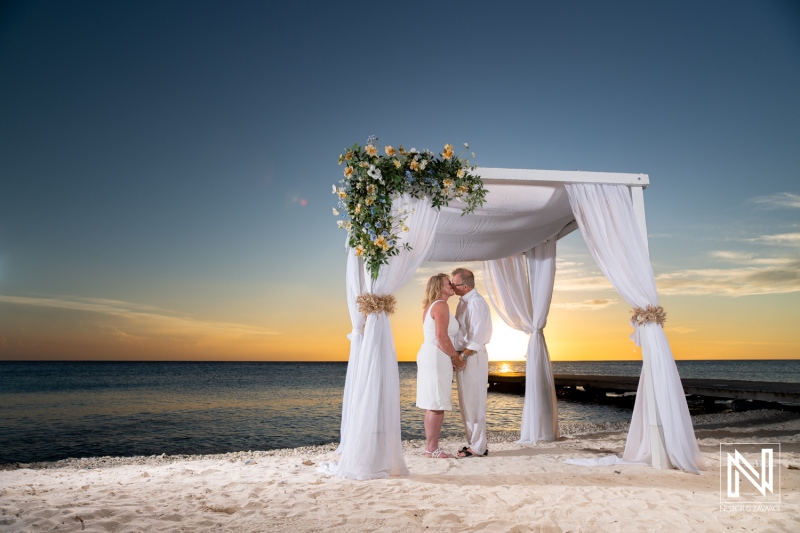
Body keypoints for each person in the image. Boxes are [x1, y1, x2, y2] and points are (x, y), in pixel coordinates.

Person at [416, 273, 465, 459]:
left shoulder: (431, 307)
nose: (452, 284)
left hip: (433, 354)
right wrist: (456, 358)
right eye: (447, 282)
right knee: (436, 403)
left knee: (433, 402)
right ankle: (432, 449)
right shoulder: (441, 305)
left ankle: (430, 447)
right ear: (438, 286)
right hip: (437, 354)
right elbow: (442, 337)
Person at [451, 267, 493, 458]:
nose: (452, 286)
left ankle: (478, 447)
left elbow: (477, 336)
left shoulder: (475, 303)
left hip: (472, 356)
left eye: (455, 283)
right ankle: (475, 444)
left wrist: (463, 357)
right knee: (466, 402)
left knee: (474, 402)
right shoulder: (463, 302)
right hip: (465, 355)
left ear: (465, 286)